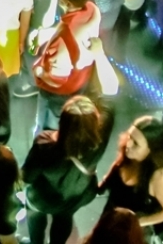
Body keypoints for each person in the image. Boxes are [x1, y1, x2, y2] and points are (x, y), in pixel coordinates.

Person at [23, 95, 108, 244]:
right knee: (64, 218)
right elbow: (108, 107)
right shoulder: (99, 142)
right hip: (77, 197)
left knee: (34, 215)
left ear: (62, 122)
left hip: (44, 199)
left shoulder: (45, 144)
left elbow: (28, 176)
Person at [100, 116, 163, 236]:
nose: (128, 144)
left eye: (136, 143)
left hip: (136, 227)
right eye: (129, 137)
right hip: (115, 215)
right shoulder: (129, 156)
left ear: (151, 150)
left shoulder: (161, 176)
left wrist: (139, 222)